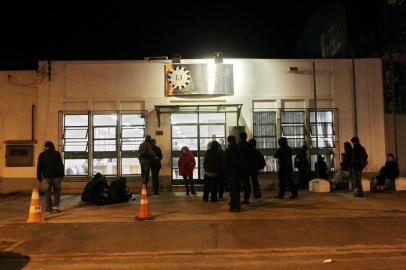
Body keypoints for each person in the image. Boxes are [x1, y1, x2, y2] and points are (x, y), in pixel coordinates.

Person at [36, 141, 65, 213]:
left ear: (46, 147)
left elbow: (39, 167)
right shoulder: (57, 154)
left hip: (46, 177)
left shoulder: (42, 155)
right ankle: (55, 207)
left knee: (47, 192)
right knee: (57, 191)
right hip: (57, 177)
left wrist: (39, 178)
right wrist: (62, 175)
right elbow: (61, 165)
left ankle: (48, 209)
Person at [224, 135, 243, 212]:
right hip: (238, 173)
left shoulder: (228, 150)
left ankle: (233, 206)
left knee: (232, 191)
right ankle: (237, 206)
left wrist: (226, 172)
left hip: (231, 173)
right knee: (237, 190)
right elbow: (242, 161)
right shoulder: (239, 150)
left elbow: (225, 163)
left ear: (228, 141)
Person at [238, 131, 254, 204]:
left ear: (240, 137)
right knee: (246, 182)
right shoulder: (248, 145)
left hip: (240, 167)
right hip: (247, 166)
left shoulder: (238, 145)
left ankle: (236, 199)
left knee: (237, 183)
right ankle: (246, 198)